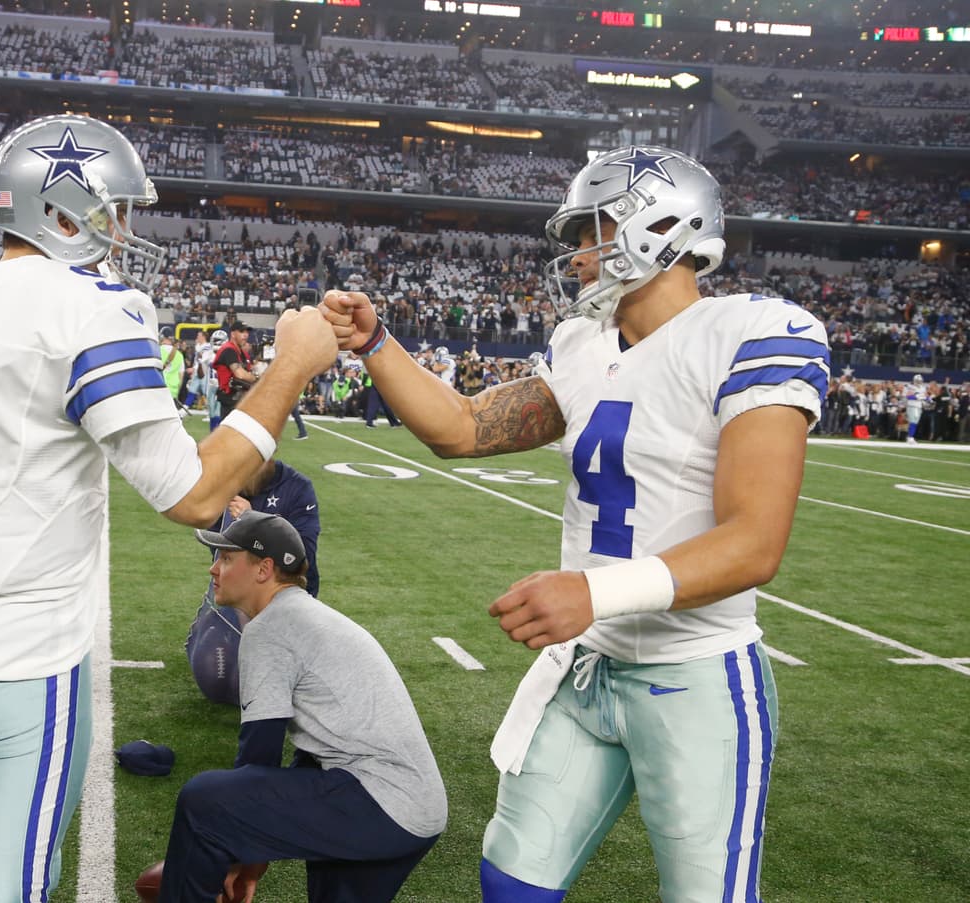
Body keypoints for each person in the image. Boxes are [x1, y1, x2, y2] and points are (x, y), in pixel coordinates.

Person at [321, 145, 830, 902]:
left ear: (652, 227)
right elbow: (462, 427)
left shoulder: (752, 333)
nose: (579, 255)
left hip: (693, 674)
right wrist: (375, 344)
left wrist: (595, 594)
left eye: (590, 232)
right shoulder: (584, 346)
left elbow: (754, 542)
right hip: (589, 669)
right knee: (511, 877)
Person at [0, 114, 336, 903]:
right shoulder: (86, 306)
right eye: (112, 208)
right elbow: (195, 495)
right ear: (59, 211)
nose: (122, 228)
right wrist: (290, 366)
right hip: (14, 661)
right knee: (8, 887)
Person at [158, 511, 446, 903]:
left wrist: (243, 849)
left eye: (226, 558)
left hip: (377, 800)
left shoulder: (270, 627)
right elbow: (312, 756)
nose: (214, 569)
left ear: (264, 569)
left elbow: (258, 755)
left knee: (204, 803)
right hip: (418, 811)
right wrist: (252, 855)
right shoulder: (308, 614)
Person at [185, 458, 320, 705]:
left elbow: (302, 560)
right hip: (245, 594)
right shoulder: (226, 483)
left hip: (284, 598)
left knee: (263, 682)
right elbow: (220, 553)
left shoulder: (297, 488)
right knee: (213, 668)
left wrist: (253, 520)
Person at [212, 320, 256, 420]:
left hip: (240, 397)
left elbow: (249, 369)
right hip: (230, 398)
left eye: (246, 332)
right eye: (241, 332)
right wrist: (256, 378)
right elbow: (239, 374)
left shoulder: (241, 352)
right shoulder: (229, 350)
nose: (245, 335)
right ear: (232, 334)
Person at [903, 373, 927, 444]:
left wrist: (929, 400)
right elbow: (906, 396)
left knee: (915, 423)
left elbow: (924, 397)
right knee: (913, 422)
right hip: (912, 406)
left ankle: (910, 437)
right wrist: (916, 397)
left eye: (920, 381)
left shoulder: (923, 388)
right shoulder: (909, 386)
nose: (919, 382)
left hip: (919, 406)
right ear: (914, 380)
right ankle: (910, 437)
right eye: (917, 380)